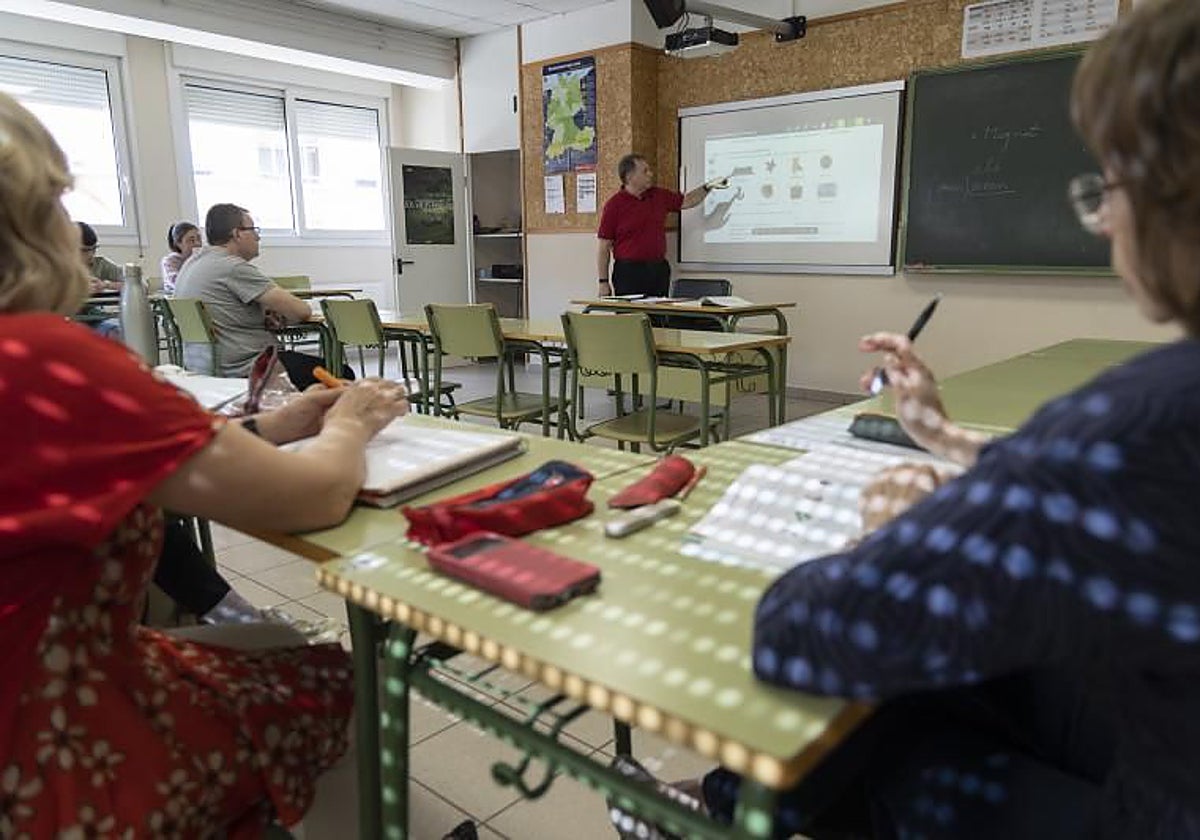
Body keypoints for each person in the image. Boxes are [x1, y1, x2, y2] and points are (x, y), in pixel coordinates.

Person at [612, 1, 1200, 836]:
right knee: (969, 666)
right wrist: (948, 439)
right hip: (1155, 737)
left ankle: (714, 821)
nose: (1105, 220)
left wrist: (888, 537)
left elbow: (801, 630)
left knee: (880, 719)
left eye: (1109, 185)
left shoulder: (1141, 422)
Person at [0, 92, 411, 835]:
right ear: (31, 218)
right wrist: (350, 422)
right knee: (333, 681)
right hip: (49, 746)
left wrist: (281, 423)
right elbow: (314, 497)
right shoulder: (48, 360)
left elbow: (141, 460)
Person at [175, 203, 337, 389]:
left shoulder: (191, 265)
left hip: (205, 367)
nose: (258, 236)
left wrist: (262, 315)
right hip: (249, 367)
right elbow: (301, 311)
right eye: (254, 230)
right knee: (341, 374)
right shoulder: (232, 266)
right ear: (237, 234)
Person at [596, 154, 730, 298]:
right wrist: (603, 282)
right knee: (632, 318)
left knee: (659, 317)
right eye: (645, 171)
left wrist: (708, 187)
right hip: (629, 272)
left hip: (657, 269)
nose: (651, 174)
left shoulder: (658, 195)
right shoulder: (614, 205)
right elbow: (604, 247)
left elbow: (687, 201)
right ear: (629, 177)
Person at [77, 220, 123, 294]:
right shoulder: (57, 268)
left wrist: (106, 285)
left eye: (94, 248)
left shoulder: (101, 265)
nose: (91, 254)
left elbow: (141, 286)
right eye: (85, 250)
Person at [160, 220, 202, 295]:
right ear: (178, 243)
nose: (197, 243)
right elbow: (177, 282)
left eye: (199, 239)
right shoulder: (170, 261)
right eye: (191, 240)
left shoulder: (201, 258)